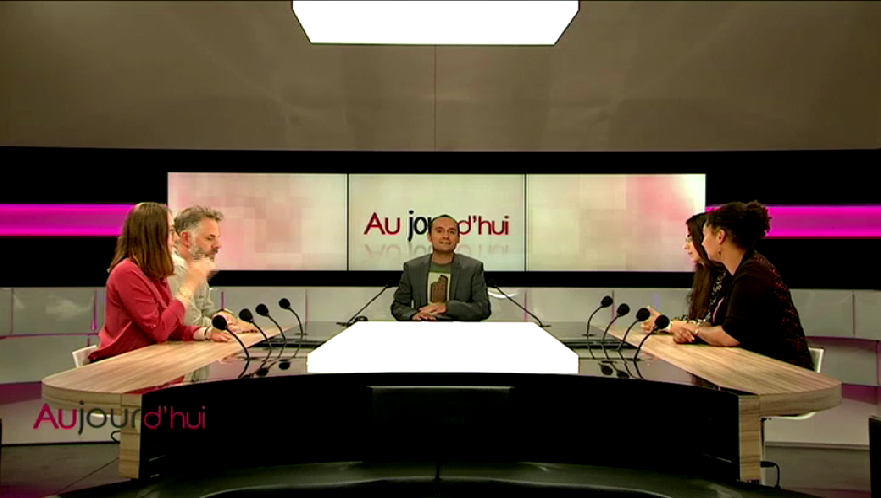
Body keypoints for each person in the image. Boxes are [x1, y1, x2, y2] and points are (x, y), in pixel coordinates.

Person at [671, 201, 814, 370]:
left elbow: (729, 336)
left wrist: (695, 330)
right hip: (753, 366)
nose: (702, 243)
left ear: (720, 237)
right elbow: (717, 324)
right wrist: (691, 331)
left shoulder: (754, 273)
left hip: (783, 371)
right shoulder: (735, 272)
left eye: (705, 236)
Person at [88, 203, 231, 363]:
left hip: (147, 360)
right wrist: (189, 286)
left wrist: (206, 332)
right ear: (153, 235)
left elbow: (170, 326)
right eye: (170, 231)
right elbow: (159, 331)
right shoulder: (127, 272)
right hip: (123, 364)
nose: (175, 239)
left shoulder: (154, 272)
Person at [168, 206, 255, 333]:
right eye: (210, 238)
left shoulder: (196, 265)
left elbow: (207, 311)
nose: (218, 245)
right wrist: (231, 327)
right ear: (186, 238)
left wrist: (225, 316)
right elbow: (190, 322)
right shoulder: (175, 267)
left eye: (217, 238)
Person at [391, 214, 491, 321]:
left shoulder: (472, 268)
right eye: (439, 231)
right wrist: (413, 315)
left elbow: (483, 309)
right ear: (429, 236)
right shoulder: (413, 268)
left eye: (451, 232)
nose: (445, 236)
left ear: (458, 238)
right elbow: (398, 306)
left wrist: (447, 307)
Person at [642, 212, 728, 335]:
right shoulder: (703, 275)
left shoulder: (725, 276)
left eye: (690, 239)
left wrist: (668, 325)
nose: (685, 246)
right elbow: (695, 320)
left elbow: (708, 324)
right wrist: (666, 324)